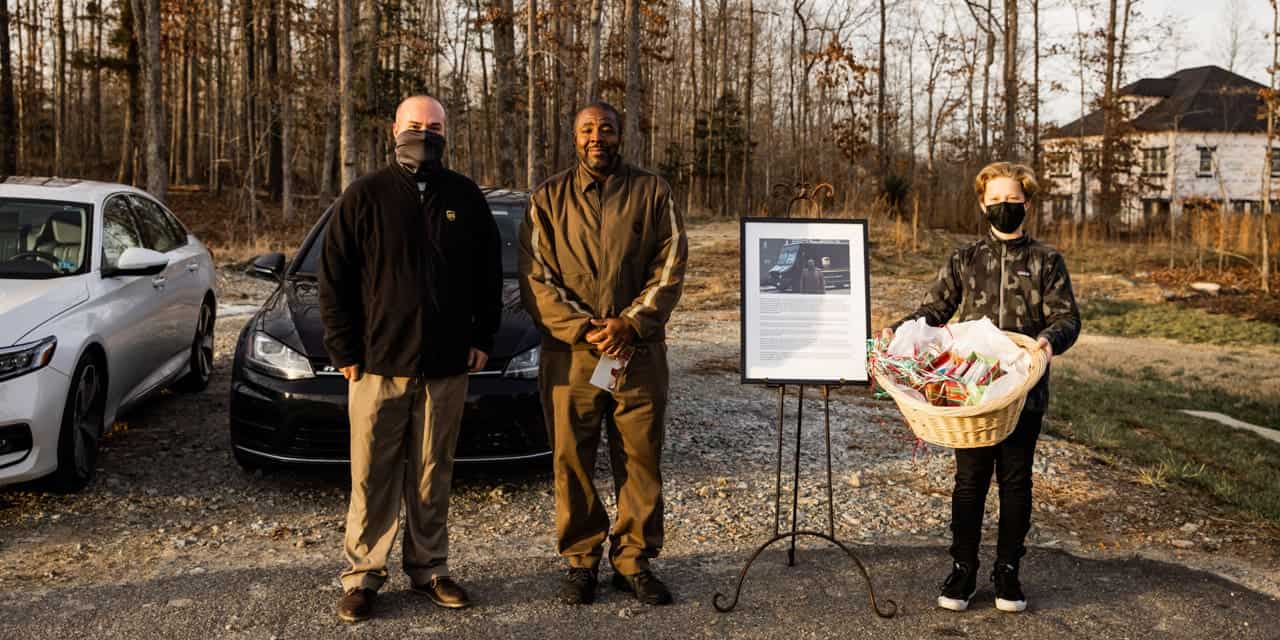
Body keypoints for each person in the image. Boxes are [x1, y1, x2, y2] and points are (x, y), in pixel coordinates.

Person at [318, 95, 503, 623]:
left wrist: (483, 335)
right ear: (394, 130)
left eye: (435, 126)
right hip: (377, 364)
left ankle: (429, 568)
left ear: (448, 134)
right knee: (371, 474)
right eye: (415, 125)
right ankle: (363, 575)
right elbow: (333, 279)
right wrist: (344, 348)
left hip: (445, 365)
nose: (425, 134)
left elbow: (490, 275)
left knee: (431, 472)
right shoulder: (364, 196)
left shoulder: (464, 197)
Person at [883, 161, 1080, 614]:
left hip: (1022, 394)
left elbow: (1067, 318)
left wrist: (1048, 343)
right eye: (996, 201)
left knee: (1015, 481)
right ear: (983, 205)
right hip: (970, 393)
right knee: (969, 481)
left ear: (1027, 202)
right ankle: (963, 570)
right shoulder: (965, 258)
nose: (1004, 207)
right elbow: (934, 310)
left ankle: (1008, 571)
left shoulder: (1046, 260)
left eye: (1012, 201)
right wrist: (898, 332)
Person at [518, 102, 688, 606]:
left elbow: (671, 264)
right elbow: (536, 278)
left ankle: (634, 560)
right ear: (575, 138)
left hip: (638, 354)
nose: (598, 137)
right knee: (572, 458)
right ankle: (581, 560)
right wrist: (585, 330)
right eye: (588, 129)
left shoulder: (653, 191)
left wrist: (631, 325)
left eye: (607, 129)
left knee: (639, 457)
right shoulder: (547, 198)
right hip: (571, 356)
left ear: (620, 135)